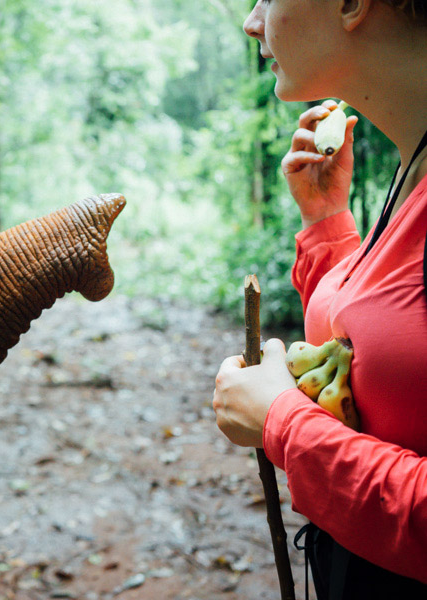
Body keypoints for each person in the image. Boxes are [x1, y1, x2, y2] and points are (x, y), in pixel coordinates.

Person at [211, 0, 427, 595]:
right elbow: (386, 342)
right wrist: (328, 221)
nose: (252, 22)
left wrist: (285, 426)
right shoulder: (413, 163)